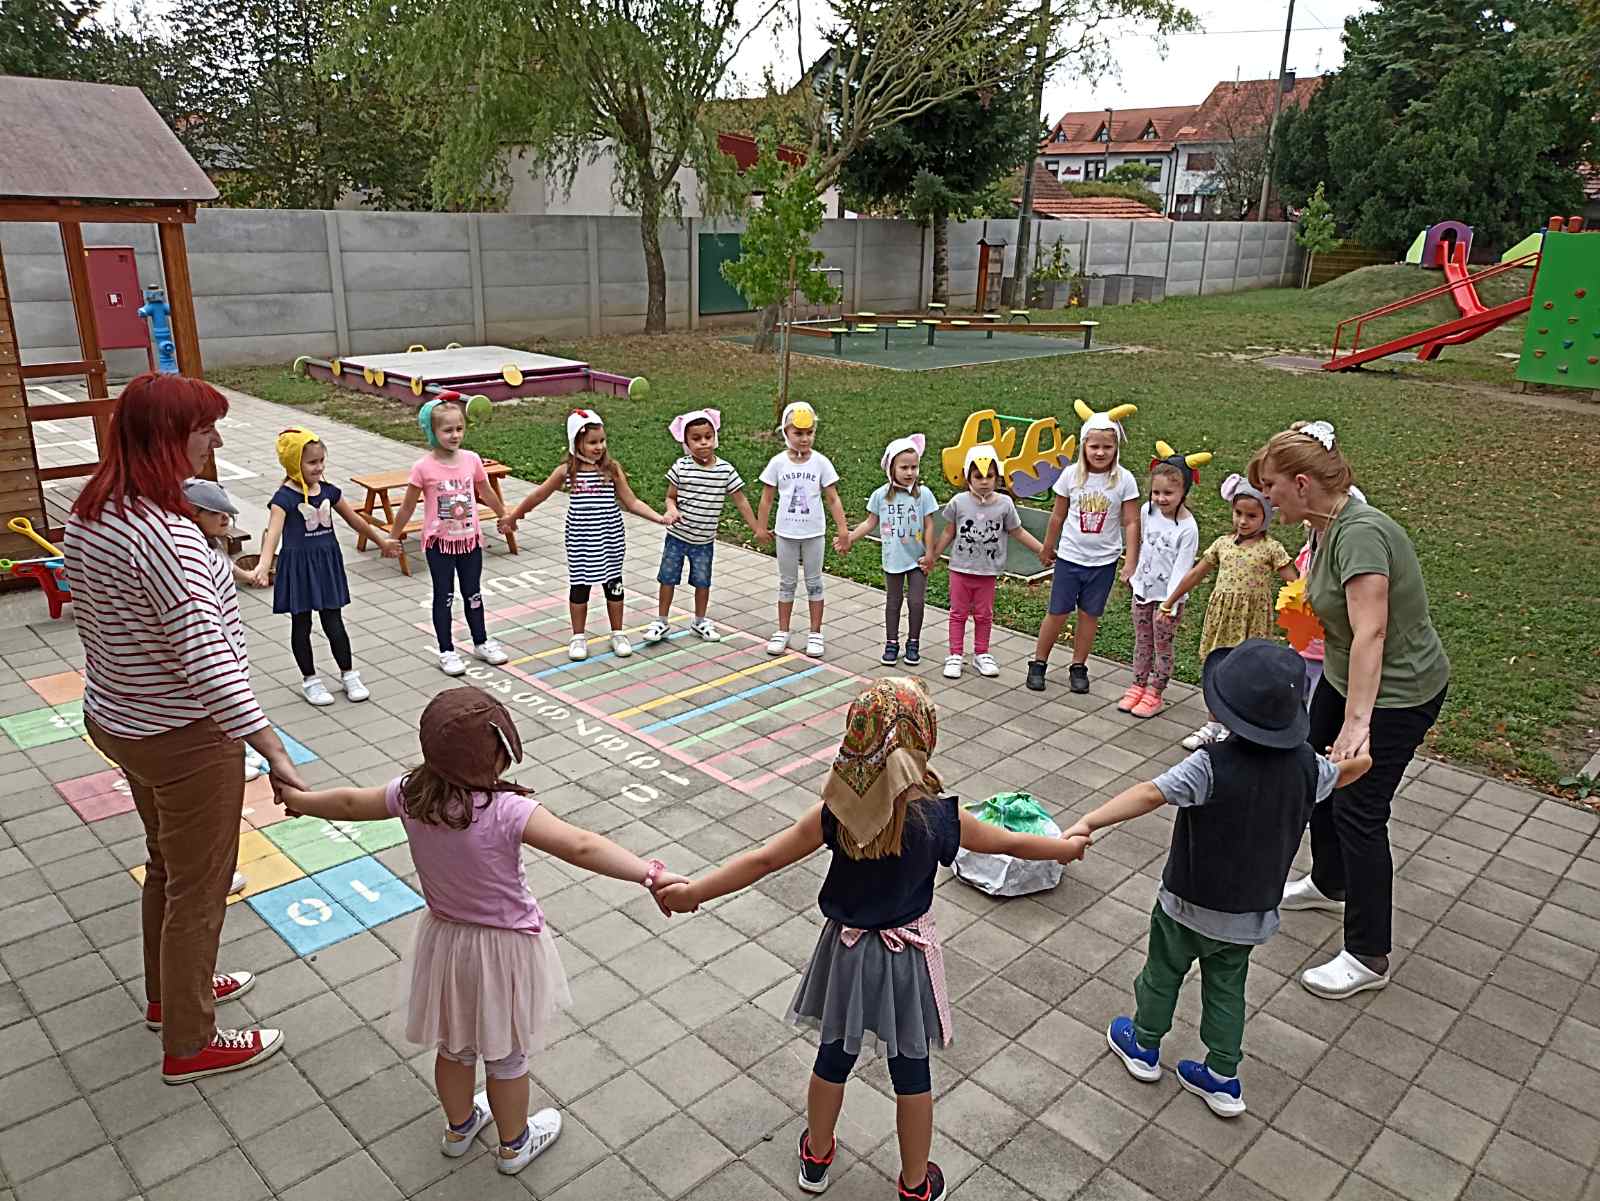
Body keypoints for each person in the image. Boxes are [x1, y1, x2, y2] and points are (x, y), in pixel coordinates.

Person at [658, 677, 1089, 1201]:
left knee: (833, 1055)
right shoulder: (940, 818)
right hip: (906, 960)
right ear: (922, 740)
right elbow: (1014, 844)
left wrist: (694, 892)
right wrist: (1062, 849)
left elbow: (763, 859)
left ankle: (816, 1157)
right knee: (912, 1072)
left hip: (844, 954)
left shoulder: (835, 815)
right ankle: (914, 1184)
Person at [277, 688, 690, 1174]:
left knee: (454, 1046)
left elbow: (349, 802)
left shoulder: (411, 794)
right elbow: (581, 846)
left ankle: (458, 1128)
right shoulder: (508, 811)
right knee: (507, 1053)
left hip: (445, 941)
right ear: (495, 752)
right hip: (505, 949)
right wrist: (648, 874)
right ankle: (515, 1144)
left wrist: (302, 802)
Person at [64, 372, 306, 1084]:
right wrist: (272, 746)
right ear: (169, 438)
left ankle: (170, 997)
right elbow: (208, 660)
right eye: (205, 431)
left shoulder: (94, 510)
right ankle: (191, 1041)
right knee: (201, 885)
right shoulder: (168, 537)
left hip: (118, 717)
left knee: (167, 866)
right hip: (184, 736)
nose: (217, 442)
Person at [1072, 640, 1371, 1117]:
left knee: (1162, 973)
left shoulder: (1209, 764)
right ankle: (1222, 1077)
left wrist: (1090, 821)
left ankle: (1144, 1047)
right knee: (1228, 988)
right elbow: (1346, 771)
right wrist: (1365, 759)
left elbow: (1152, 793)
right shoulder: (1307, 768)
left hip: (1186, 903)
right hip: (1249, 914)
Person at [1251, 420, 1450, 1000]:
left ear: (1305, 484)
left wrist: (1358, 724)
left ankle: (1368, 954)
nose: (1268, 496)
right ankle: (1329, 880)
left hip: (1398, 693)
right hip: (1347, 679)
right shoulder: (1323, 523)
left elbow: (1373, 633)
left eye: (1274, 486)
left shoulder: (1360, 534)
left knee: (1361, 809)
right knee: (1313, 772)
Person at [500, 408, 674, 662]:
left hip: (610, 535)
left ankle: (618, 632)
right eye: (592, 442)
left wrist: (659, 518)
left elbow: (632, 502)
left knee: (613, 584)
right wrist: (514, 516)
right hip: (581, 537)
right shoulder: (566, 472)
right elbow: (538, 495)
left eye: (602, 441)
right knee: (580, 586)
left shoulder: (611, 469)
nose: (599, 446)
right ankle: (578, 636)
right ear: (576, 443)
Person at [251, 428, 400, 705]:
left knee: (334, 621)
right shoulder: (284, 498)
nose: (318, 467)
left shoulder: (329, 492)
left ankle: (348, 674)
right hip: (298, 568)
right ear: (294, 464)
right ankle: (310, 680)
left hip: (326, 565)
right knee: (301, 623)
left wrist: (382, 541)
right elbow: (272, 533)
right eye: (311, 462)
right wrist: (264, 564)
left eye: (321, 461)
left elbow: (356, 520)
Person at [1162, 474, 1297, 749]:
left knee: (1245, 675)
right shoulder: (1223, 544)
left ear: (1266, 517)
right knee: (1217, 669)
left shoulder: (1272, 548)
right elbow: (1197, 573)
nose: (1243, 521)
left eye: (1251, 515)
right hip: (1222, 618)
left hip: (1251, 621)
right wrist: (1170, 600)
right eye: (1238, 513)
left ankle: (1235, 728)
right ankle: (1213, 724)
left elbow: (1294, 583)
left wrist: (1302, 613)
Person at [181, 476, 270, 882]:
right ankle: (213, 871)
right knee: (211, 794)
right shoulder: (185, 553)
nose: (227, 519)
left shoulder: (210, 546)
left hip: (229, 661)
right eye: (217, 513)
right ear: (192, 513)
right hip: (211, 673)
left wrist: (244, 575)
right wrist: (273, 749)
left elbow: (223, 565)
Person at [391, 399, 511, 676]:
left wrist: (504, 515)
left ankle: (481, 641)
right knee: (443, 596)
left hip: (470, 541)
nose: (455, 435)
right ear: (432, 433)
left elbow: (486, 492)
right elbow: (408, 506)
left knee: (473, 594)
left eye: (459, 428)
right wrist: (393, 537)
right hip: (439, 545)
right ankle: (447, 650)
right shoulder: (423, 467)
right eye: (447, 430)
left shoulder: (472, 460)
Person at [1028, 400, 1141, 694]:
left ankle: (1079, 665)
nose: (1100, 453)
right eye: (1094, 447)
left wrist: (1130, 561)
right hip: (1070, 559)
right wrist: (1047, 547)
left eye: (1107, 447)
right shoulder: (1071, 476)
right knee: (1058, 612)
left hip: (1103, 563)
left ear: (1116, 448)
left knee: (1089, 615)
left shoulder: (1124, 480)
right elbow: (1057, 516)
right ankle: (1039, 662)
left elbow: (1131, 522)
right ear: (1083, 446)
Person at [643, 408, 762, 646]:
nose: (703, 442)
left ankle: (699, 621)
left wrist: (757, 527)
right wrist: (671, 509)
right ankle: (661, 621)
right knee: (667, 579)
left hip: (704, 541)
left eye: (708, 436)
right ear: (686, 443)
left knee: (702, 582)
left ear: (715, 437)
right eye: (696, 439)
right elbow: (670, 497)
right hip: (676, 537)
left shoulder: (725, 470)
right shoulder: (681, 467)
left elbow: (740, 499)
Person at [929, 444, 1043, 680]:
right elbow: (949, 532)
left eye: (989, 476)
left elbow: (1017, 531)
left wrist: (1042, 550)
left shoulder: (1004, 504)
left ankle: (982, 653)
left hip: (987, 572)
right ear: (967, 476)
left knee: (984, 615)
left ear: (997, 477)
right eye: (978, 476)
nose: (984, 481)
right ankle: (955, 655)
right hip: (960, 570)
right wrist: (934, 555)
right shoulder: (958, 502)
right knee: (958, 613)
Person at [756, 401, 851, 659]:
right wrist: (760, 528)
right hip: (786, 534)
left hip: (814, 534)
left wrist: (843, 530)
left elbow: (832, 498)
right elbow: (766, 498)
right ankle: (782, 631)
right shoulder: (777, 463)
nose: (804, 439)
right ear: (786, 433)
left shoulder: (821, 463)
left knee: (814, 583)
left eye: (809, 433)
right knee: (787, 583)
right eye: (798, 433)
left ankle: (815, 633)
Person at [1121, 442, 1205, 719]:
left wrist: (1169, 604)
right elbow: (1142, 543)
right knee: (1142, 641)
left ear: (1184, 492)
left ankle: (1156, 691)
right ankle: (1138, 684)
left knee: (1162, 646)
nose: (1161, 498)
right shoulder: (1148, 511)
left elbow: (1182, 570)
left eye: (1169, 493)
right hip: (1143, 590)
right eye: (1156, 492)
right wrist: (1133, 572)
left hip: (1168, 599)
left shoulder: (1188, 528)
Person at [846, 434, 939, 666]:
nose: (910, 472)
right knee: (893, 602)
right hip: (893, 559)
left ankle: (913, 642)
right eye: (904, 467)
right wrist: (849, 538)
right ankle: (891, 642)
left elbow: (929, 524)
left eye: (914, 467)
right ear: (891, 468)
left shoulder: (923, 494)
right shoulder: (880, 496)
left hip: (918, 559)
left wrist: (930, 553)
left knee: (916, 602)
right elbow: (869, 523)